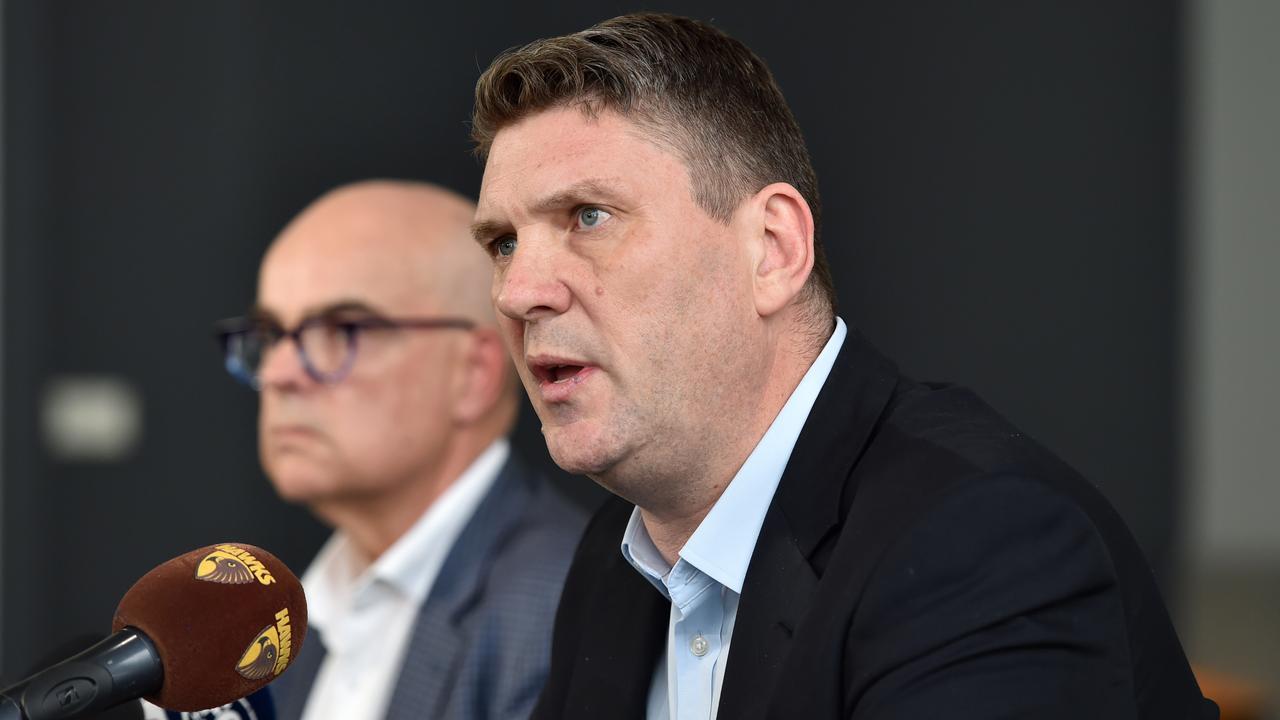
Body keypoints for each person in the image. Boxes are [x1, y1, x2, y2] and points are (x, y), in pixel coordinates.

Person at [468, 13, 1217, 720]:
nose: (520, 291)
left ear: (774, 250)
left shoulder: (976, 538)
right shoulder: (616, 559)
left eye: (588, 217)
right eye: (503, 242)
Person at [215, 180, 584, 720]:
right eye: (270, 334)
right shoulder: (283, 614)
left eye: (343, 330)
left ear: (472, 374)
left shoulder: (562, 608)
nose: (279, 372)